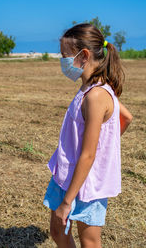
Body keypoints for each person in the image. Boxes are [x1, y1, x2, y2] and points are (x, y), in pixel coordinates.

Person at [43, 23, 133, 248]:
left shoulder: (97, 96)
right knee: (57, 230)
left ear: (83, 55)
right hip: (67, 173)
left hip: (87, 185)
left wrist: (67, 201)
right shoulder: (90, 87)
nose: (62, 61)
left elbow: (88, 155)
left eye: (65, 55)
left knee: (89, 241)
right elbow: (127, 117)